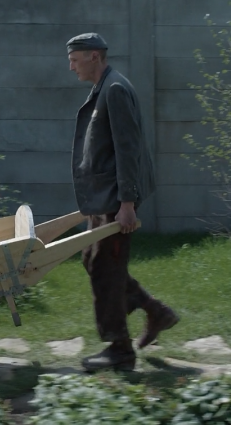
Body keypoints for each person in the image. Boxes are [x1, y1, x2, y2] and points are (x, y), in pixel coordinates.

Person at [67, 32, 178, 371]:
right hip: (104, 196)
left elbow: (128, 149)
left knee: (106, 270)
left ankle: (120, 349)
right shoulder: (104, 88)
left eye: (75, 59)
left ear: (94, 56)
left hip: (116, 199)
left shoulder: (114, 89)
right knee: (93, 260)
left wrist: (127, 203)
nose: (71, 66)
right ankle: (154, 311)